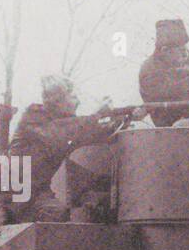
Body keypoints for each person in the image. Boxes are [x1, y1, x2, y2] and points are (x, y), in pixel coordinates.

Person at [7, 74, 129, 223]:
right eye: (73, 97)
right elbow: (66, 132)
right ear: (58, 101)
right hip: (7, 195)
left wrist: (119, 123)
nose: (78, 101)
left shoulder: (58, 124)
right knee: (54, 216)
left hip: (32, 193)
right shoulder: (34, 119)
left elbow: (86, 134)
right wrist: (98, 114)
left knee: (59, 215)